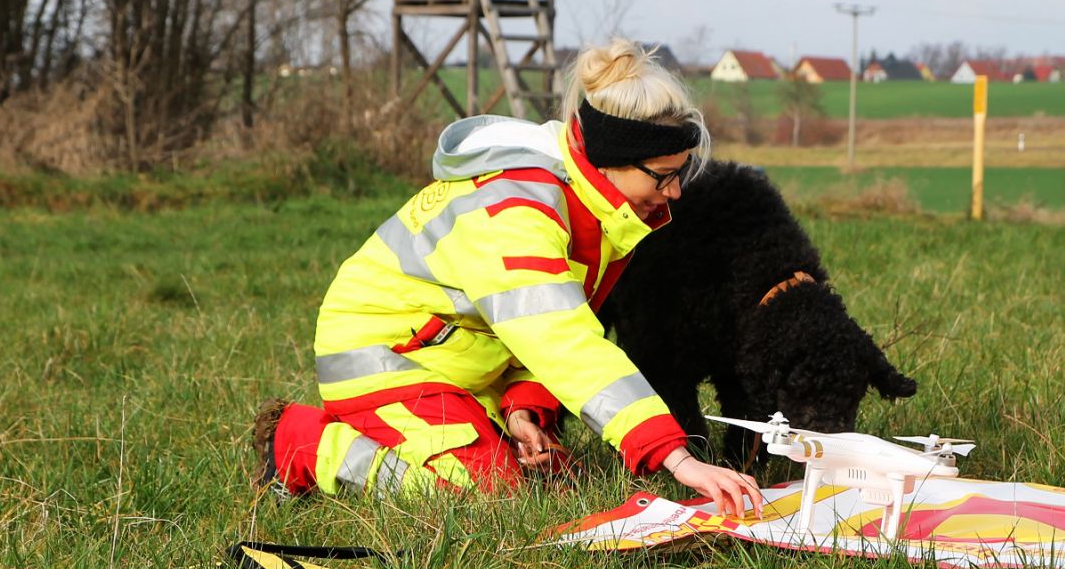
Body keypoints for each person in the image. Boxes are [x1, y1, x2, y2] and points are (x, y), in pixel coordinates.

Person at [253, 38, 763, 519]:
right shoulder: (516, 210)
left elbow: (549, 326)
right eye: (663, 175)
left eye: (682, 171)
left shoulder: (600, 207)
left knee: (540, 479)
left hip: (458, 361)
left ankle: (461, 430)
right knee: (483, 494)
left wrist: (525, 408)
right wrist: (677, 459)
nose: (674, 192)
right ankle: (302, 443)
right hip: (382, 357)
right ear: (611, 161)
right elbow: (561, 341)